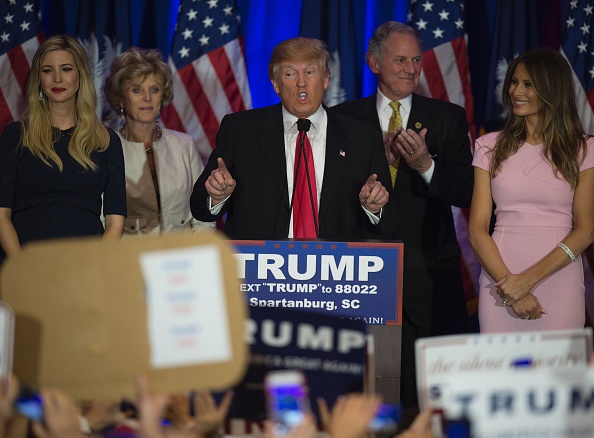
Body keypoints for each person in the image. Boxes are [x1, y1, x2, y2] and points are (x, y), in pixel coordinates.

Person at [332, 22, 473, 416]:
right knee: (370, 399)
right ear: (373, 62)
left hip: (429, 277)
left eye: (416, 59)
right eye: (400, 59)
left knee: (430, 403)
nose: (412, 68)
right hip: (362, 278)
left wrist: (426, 165)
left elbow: (466, 191)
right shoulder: (342, 119)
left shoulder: (447, 117)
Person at [190, 37, 396, 241]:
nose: (301, 83)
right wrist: (217, 196)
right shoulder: (241, 131)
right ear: (276, 84)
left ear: (325, 79)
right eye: (290, 74)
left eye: (310, 72)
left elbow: (390, 220)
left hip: (335, 268)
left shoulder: (362, 138)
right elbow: (200, 209)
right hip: (260, 268)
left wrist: (375, 207)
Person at [468, 48, 594, 332]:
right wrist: (510, 286)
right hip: (500, 279)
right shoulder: (488, 146)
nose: (516, 91)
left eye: (528, 84)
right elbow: (477, 229)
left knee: (557, 374)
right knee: (501, 373)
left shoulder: (584, 149)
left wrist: (525, 282)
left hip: (559, 277)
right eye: (514, 82)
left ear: (552, 89)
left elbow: (586, 230)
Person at [0, 35, 126, 266]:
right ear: (39, 79)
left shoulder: (106, 141)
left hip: (86, 267)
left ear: (80, 76)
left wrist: (92, 267)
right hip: (23, 265)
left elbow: (115, 223)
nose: (57, 78)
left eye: (66, 69)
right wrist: (21, 267)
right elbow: (1, 217)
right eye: (48, 71)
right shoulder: (15, 136)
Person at [104, 47, 214, 237]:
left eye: (154, 89)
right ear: (121, 98)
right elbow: (100, 222)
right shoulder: (106, 149)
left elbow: (203, 215)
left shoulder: (184, 145)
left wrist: (197, 256)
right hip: (127, 262)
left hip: (182, 260)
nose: (147, 98)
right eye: (137, 90)